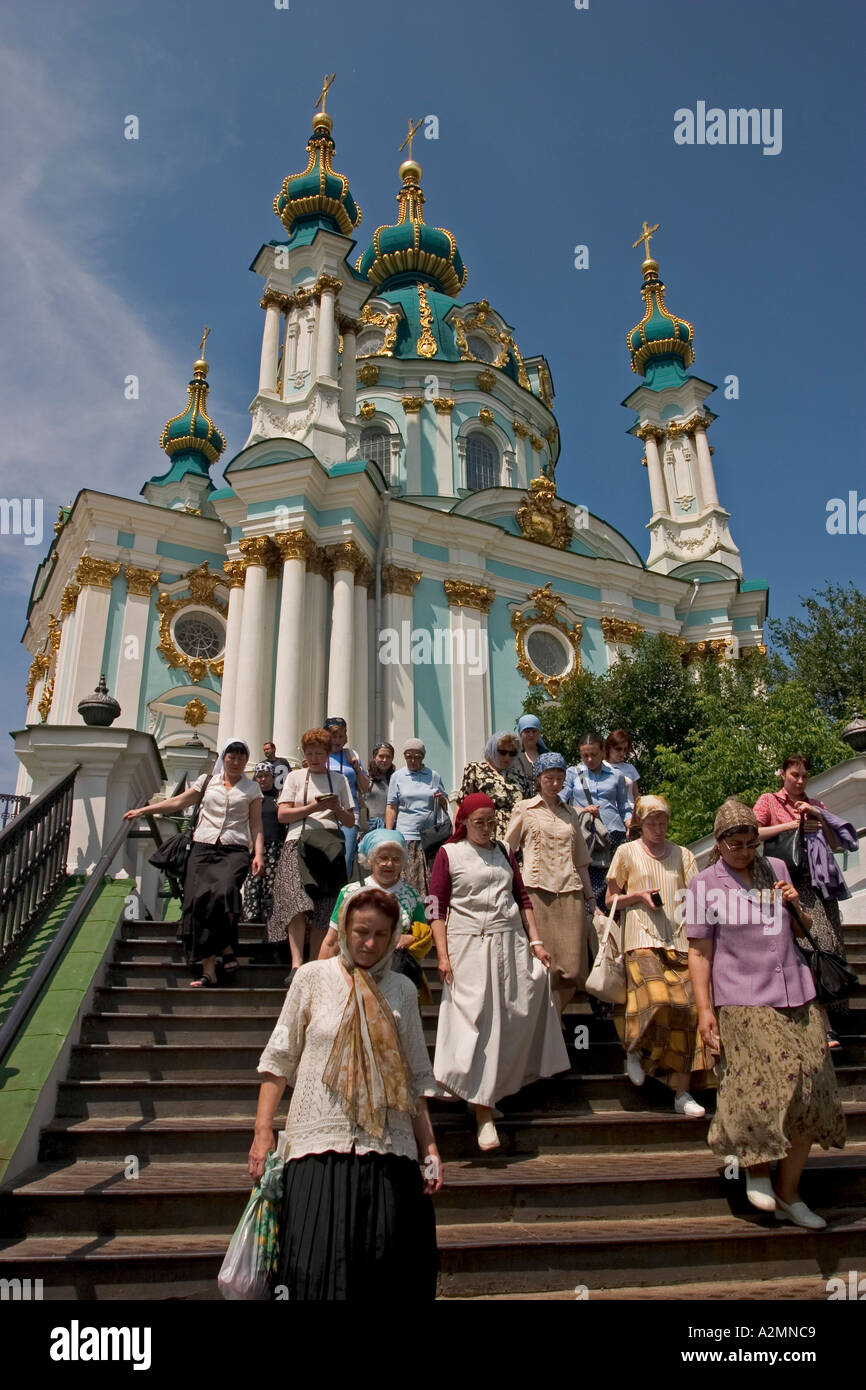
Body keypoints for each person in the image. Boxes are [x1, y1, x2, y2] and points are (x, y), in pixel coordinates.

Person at [249, 887, 442, 1300]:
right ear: (345, 930)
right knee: (313, 1270)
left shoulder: (403, 992)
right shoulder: (311, 979)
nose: (369, 943)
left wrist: (430, 1149)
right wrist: (262, 1130)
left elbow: (414, 1076)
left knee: (387, 1272)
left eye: (380, 935)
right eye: (360, 932)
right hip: (316, 1149)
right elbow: (279, 1057)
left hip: (389, 1150)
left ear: (394, 938)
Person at [686, 799, 846, 1228]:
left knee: (813, 1083)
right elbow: (699, 952)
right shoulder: (703, 885)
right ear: (718, 844)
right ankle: (756, 1168)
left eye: (750, 842)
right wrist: (704, 1010)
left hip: (796, 991)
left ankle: (790, 1193)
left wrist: (797, 905)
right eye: (735, 844)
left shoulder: (774, 869)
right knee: (760, 1085)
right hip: (741, 998)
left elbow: (801, 930)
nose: (743, 850)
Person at [429, 793, 570, 1152]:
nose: (487, 829)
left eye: (492, 822)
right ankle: (481, 1110)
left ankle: (492, 1091)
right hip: (469, 945)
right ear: (464, 823)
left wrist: (537, 943)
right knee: (478, 1019)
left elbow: (522, 897)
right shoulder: (449, 854)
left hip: (510, 943)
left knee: (516, 1008)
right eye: (480, 823)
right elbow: (436, 906)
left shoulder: (504, 851)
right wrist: (442, 955)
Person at [605, 794, 714, 1117]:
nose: (658, 827)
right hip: (640, 936)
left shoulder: (682, 854)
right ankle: (635, 1048)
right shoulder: (626, 852)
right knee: (657, 999)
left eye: (663, 821)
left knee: (692, 1010)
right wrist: (637, 896)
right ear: (640, 823)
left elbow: (696, 895)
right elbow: (611, 897)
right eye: (651, 822)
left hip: (679, 940)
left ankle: (682, 1092)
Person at [124, 738, 264, 988]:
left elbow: (256, 824)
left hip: (234, 849)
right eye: (232, 756)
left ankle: (226, 946)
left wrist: (258, 854)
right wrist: (144, 811)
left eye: (241, 757)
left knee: (225, 893)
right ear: (224, 758)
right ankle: (209, 968)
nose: (236, 761)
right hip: (202, 847)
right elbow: (178, 802)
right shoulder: (207, 782)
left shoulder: (252, 789)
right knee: (198, 902)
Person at [754, 754, 856, 1047]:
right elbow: (754, 832)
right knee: (817, 945)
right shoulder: (769, 801)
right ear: (783, 774)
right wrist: (790, 827)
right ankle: (822, 1024)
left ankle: (834, 1013)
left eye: (804, 777)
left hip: (820, 884)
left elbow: (836, 845)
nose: (799, 781)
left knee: (833, 946)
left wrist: (819, 818)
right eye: (794, 775)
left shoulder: (815, 804)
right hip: (789, 884)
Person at [504, 752, 598, 1016]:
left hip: (570, 893)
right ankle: (546, 1025)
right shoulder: (524, 809)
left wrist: (592, 901)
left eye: (560, 778)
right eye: (549, 778)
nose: (555, 784)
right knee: (540, 968)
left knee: (574, 970)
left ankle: (552, 1019)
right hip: (536, 892)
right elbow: (507, 852)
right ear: (539, 779)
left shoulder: (571, 814)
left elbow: (581, 861)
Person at [267, 728, 355, 972]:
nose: (314, 758)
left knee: (324, 906)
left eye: (319, 753)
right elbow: (282, 814)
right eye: (310, 753)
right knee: (296, 902)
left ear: (327, 754)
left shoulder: (339, 780)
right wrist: (312, 808)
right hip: (297, 842)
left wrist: (335, 807)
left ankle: (315, 963)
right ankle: (297, 963)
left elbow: (350, 821)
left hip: (328, 845)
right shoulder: (296, 777)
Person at [319, 828, 433, 999]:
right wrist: (320, 982)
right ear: (370, 859)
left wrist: (408, 938)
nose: (389, 864)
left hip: (396, 977)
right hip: (354, 976)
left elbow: (424, 935)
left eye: (396, 859)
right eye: (384, 858)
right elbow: (331, 941)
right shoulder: (350, 891)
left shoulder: (411, 895)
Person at [563, 732, 632, 909]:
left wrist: (630, 825)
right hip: (586, 834)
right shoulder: (573, 773)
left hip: (613, 832)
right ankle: (592, 920)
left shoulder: (616, 775)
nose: (589, 759)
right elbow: (560, 802)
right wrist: (582, 809)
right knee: (590, 881)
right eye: (585, 755)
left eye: (593, 754)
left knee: (614, 881)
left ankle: (613, 923)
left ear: (603, 752)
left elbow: (624, 807)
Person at [385, 739, 449, 898]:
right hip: (407, 835)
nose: (413, 760)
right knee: (409, 880)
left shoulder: (433, 776)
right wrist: (388, 833)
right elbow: (391, 806)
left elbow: (445, 806)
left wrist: (441, 799)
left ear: (423, 757)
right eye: (409, 757)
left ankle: (428, 916)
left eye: (417, 757)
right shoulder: (398, 776)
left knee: (430, 880)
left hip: (430, 838)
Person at [459, 732, 529, 842]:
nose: (507, 757)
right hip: (485, 836)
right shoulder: (475, 770)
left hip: (516, 838)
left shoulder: (519, 776)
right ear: (492, 750)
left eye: (512, 753)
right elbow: (462, 805)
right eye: (502, 752)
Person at [324, 716, 370, 876]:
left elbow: (365, 788)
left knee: (346, 857)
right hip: (325, 814)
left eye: (341, 736)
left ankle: (341, 897)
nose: (337, 740)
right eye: (333, 736)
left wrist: (356, 767)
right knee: (326, 858)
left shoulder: (351, 754)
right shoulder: (320, 756)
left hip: (350, 813)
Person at [242, 762, 287, 926]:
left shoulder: (279, 797)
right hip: (255, 845)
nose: (262, 779)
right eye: (259, 776)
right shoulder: (253, 798)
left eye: (266, 776)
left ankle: (270, 916)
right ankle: (251, 916)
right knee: (253, 881)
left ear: (272, 777)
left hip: (275, 845)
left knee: (271, 882)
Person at [513, 714, 548, 797]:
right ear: (521, 733)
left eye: (534, 731)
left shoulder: (547, 757)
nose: (531, 735)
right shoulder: (513, 757)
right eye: (527, 731)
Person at [604, 730, 640, 807]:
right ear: (609, 747)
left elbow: (636, 796)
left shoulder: (630, 768)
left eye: (625, 749)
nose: (622, 753)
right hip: (610, 814)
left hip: (631, 815)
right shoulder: (600, 767)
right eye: (618, 749)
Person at [365, 742, 396, 831]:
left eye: (388, 757)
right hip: (370, 827)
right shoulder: (366, 777)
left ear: (392, 758)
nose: (384, 760)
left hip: (390, 827)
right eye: (381, 756)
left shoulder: (396, 778)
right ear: (374, 757)